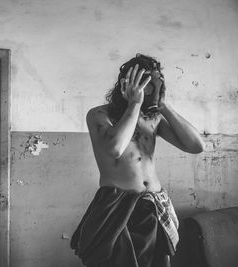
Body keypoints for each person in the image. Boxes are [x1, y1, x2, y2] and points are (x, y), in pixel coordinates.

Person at [70, 54, 205, 267]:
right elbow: (115, 149)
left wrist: (164, 106)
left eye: (157, 82)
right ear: (127, 83)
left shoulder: (154, 119)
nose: (152, 87)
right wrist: (134, 103)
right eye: (146, 82)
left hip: (153, 205)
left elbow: (197, 146)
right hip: (117, 206)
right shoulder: (99, 115)